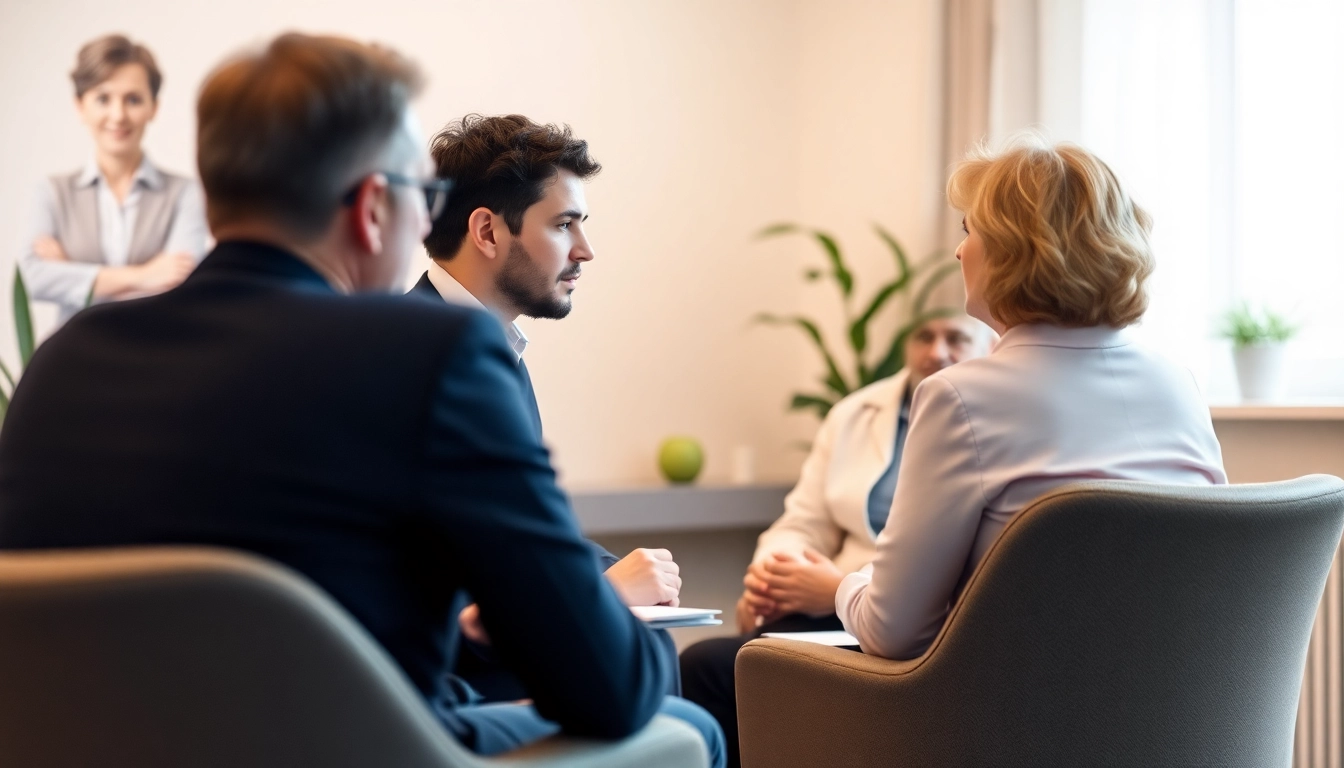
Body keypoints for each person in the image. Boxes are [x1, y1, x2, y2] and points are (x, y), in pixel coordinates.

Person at [0, 34, 723, 766]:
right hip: (356, 751)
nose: (425, 227)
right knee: (688, 724)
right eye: (423, 198)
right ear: (374, 207)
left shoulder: (63, 362)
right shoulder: (430, 355)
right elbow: (608, 684)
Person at [836, 138, 1227, 661]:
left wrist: (848, 583)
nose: (958, 252)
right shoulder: (1180, 385)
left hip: (1008, 710)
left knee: (740, 664)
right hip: (1175, 706)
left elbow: (892, 633)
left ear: (1012, 248)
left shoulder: (959, 396)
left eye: (969, 230)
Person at [415, 113, 683, 699]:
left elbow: (513, 535)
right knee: (648, 663)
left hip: (486, 648)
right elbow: (437, 568)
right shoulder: (421, 359)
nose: (586, 251)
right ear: (487, 232)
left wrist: (608, 573)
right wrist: (602, 591)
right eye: (564, 225)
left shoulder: (485, 348)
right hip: (450, 679)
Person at [679, 314, 992, 767]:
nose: (936, 351)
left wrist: (835, 585)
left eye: (956, 338)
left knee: (717, 666)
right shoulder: (854, 414)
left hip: (900, 619)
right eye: (924, 336)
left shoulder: (984, 420)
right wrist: (771, 580)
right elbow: (803, 522)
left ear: (988, 348)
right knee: (711, 663)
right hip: (831, 608)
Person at [20, 34, 207, 327]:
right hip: (73, 351)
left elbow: (179, 287)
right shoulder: (53, 192)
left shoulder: (185, 193)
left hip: (154, 349)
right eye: (103, 99)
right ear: (80, 106)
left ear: (153, 107)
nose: (118, 115)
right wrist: (144, 276)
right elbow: (31, 279)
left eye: (133, 100)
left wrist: (71, 272)